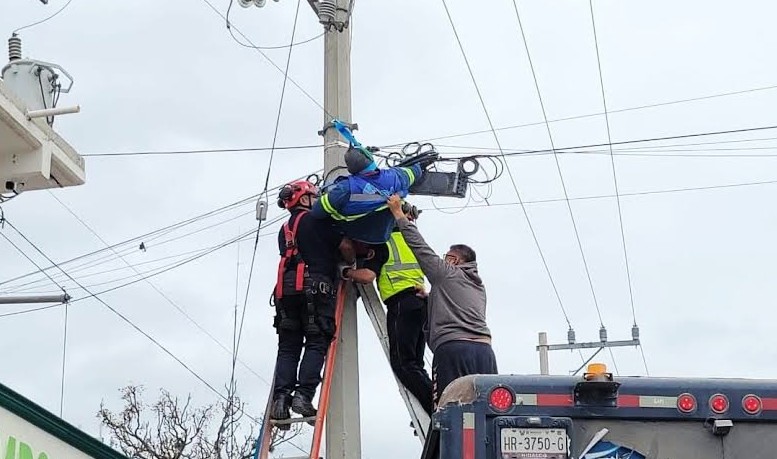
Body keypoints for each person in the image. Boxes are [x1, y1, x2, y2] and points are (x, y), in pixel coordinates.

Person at [385, 194, 497, 410]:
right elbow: (458, 308)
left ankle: (444, 444)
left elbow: (420, 248)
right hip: (484, 352)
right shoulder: (477, 285)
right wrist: (430, 298)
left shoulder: (447, 273)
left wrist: (399, 214)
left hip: (454, 351)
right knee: (483, 410)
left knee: (448, 410)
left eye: (446, 256)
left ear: (454, 260)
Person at [270, 179, 353, 427]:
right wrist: (347, 262)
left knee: (288, 347)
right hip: (316, 289)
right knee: (317, 341)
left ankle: (281, 399)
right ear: (305, 199)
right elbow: (345, 246)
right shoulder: (319, 221)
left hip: (285, 292)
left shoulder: (284, 229)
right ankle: (303, 396)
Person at [310, 143, 432, 245]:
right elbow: (414, 172)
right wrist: (418, 165)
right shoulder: (395, 176)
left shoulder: (345, 188)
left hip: (354, 236)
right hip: (383, 235)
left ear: (350, 169)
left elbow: (317, 212)